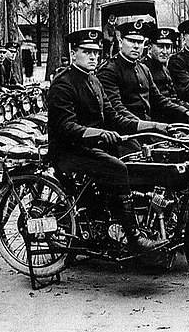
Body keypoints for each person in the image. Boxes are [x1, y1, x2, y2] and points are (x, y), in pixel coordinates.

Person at [47, 27, 168, 252]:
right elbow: (66, 126)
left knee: (137, 158)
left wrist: (150, 127)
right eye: (86, 52)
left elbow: (113, 114)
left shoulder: (93, 80)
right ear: (74, 53)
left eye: (96, 52)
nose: (93, 57)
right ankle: (134, 238)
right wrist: (100, 134)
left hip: (92, 145)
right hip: (69, 150)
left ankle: (116, 220)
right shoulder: (63, 83)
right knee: (117, 168)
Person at [98, 20, 189, 124]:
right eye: (131, 41)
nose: (136, 46)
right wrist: (147, 125)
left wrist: (186, 112)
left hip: (148, 125)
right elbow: (116, 108)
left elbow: (159, 99)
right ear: (120, 42)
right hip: (126, 129)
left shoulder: (143, 69)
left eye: (140, 42)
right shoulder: (109, 70)